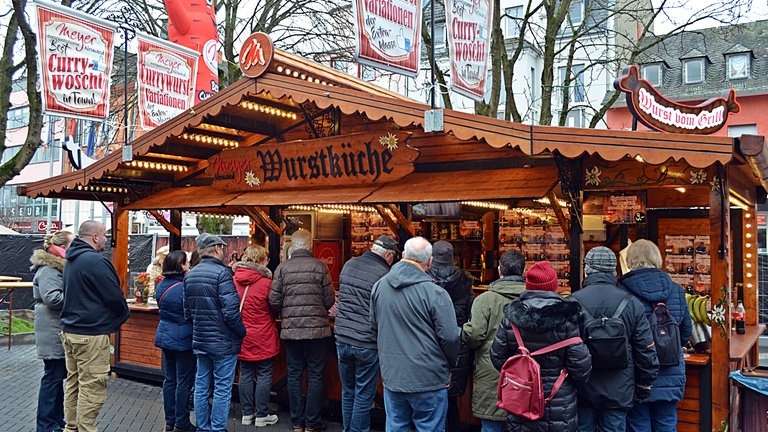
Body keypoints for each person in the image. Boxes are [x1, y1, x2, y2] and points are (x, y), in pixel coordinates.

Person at [370, 236, 460, 432]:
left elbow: (374, 326)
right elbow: (451, 337)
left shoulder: (379, 287)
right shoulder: (436, 294)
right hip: (429, 378)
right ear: (429, 262)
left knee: (396, 427)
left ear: (402, 256)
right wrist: (451, 364)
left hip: (393, 376)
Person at [490, 260, 591, 432]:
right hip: (559, 401)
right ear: (553, 286)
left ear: (528, 286)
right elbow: (581, 368)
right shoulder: (568, 319)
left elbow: (497, 356)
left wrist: (521, 373)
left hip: (521, 400)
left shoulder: (511, 318)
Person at [570, 246, 659, 432]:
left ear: (587, 270)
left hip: (582, 387)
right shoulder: (631, 303)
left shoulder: (572, 302)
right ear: (614, 270)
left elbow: (564, 348)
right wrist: (645, 384)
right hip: (620, 388)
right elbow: (646, 350)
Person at [60, 221, 130, 432]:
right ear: (95, 237)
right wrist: (119, 318)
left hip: (70, 331)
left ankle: (71, 428)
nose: (107, 240)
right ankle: (86, 429)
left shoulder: (71, 260)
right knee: (93, 387)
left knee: (74, 384)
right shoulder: (96, 262)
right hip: (91, 334)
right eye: (104, 236)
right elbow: (115, 298)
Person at [618, 239, 692, 432]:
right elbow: (685, 332)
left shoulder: (622, 291)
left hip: (637, 372)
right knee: (666, 423)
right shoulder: (676, 290)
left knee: (637, 423)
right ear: (657, 259)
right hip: (670, 371)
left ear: (631, 260)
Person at [269, 229, 335, 432]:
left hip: (291, 330)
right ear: (310, 246)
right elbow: (329, 299)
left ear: (292, 247)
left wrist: (286, 310)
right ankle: (312, 422)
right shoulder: (320, 266)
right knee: (316, 374)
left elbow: (273, 300)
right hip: (317, 331)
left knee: (294, 374)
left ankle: (297, 422)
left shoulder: (282, 268)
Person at [334, 235, 398, 432]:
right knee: (363, 394)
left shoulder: (349, 265)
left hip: (342, 337)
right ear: (388, 254)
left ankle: (348, 429)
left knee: (348, 391)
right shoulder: (385, 275)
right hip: (366, 341)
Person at [184, 233, 246, 432]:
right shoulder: (222, 274)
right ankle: (218, 428)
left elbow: (187, 312)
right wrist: (241, 331)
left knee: (201, 386)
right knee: (222, 388)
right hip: (224, 341)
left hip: (201, 339)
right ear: (217, 249)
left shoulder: (191, 274)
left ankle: (203, 427)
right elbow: (231, 311)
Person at [461, 249, 526, 432]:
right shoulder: (532, 298)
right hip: (526, 371)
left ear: (499, 270)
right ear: (523, 271)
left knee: (491, 423)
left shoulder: (485, 300)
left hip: (491, 370)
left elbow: (474, 335)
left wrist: (463, 331)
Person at [427, 241, 474, 432]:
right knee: (451, 402)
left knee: (429, 404)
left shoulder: (423, 281)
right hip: (458, 350)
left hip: (430, 348)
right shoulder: (464, 283)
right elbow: (472, 317)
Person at [31, 230, 74, 432]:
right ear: (63, 247)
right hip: (52, 328)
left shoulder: (57, 267)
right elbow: (53, 299)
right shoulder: (50, 269)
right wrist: (78, 298)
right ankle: (47, 424)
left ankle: (55, 421)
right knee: (52, 377)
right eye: (73, 244)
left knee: (56, 378)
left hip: (54, 327)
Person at [233, 246, 280, 427]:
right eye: (266, 259)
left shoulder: (233, 280)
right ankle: (261, 415)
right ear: (261, 261)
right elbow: (275, 307)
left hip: (242, 335)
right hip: (264, 335)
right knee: (265, 374)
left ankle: (246, 414)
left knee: (245, 373)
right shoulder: (267, 283)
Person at [154, 251, 196, 432]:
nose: (189, 264)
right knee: (183, 382)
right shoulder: (185, 287)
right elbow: (189, 313)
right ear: (181, 265)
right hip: (184, 338)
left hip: (165, 335)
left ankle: (169, 421)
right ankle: (182, 422)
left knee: (169, 381)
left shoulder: (161, 285)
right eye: (186, 262)